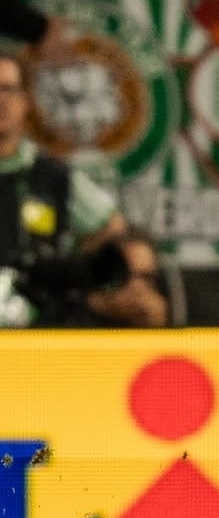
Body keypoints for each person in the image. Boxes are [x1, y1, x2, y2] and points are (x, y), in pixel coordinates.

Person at [0, 52, 168, 327]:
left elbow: (113, 230)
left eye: (8, 89)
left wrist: (68, 272)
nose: (1, 100)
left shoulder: (51, 176)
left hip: (38, 331)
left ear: (26, 101)